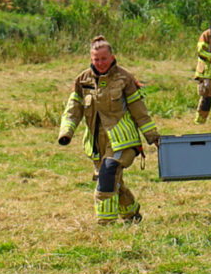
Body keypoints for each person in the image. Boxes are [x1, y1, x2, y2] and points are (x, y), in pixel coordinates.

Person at [57, 36, 160, 225]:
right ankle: (132, 215)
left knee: (107, 174)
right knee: (114, 181)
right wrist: (66, 133)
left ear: (112, 58)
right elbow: (73, 110)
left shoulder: (125, 78)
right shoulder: (82, 80)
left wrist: (152, 136)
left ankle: (106, 223)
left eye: (104, 59)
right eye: (96, 59)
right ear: (91, 59)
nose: (100, 63)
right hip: (97, 144)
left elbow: (139, 110)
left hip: (122, 141)